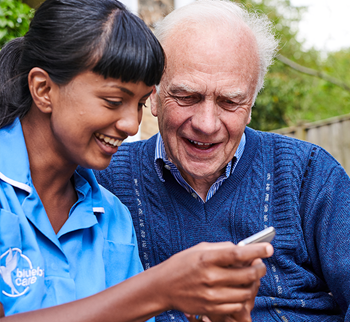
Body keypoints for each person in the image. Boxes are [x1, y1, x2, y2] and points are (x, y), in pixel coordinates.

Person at [0, 0, 275, 321]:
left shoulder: (112, 217)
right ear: (44, 89)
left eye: (141, 103)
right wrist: (156, 290)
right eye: (114, 101)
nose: (131, 125)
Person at [95, 0, 350, 321]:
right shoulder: (103, 180)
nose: (206, 123)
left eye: (230, 102)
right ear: (154, 96)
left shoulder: (310, 174)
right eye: (187, 97)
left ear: (251, 104)